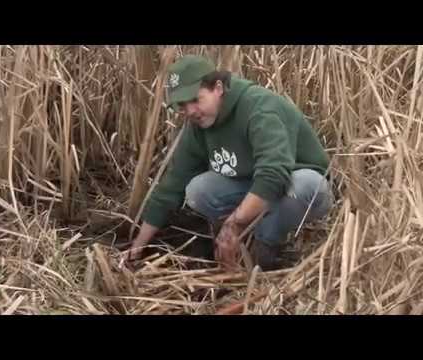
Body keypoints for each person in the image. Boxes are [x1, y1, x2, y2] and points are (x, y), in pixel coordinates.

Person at [125, 55, 333, 271]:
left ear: (218, 88)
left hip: (301, 190)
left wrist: (234, 224)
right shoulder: (198, 125)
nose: (190, 111)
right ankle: (238, 242)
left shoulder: (259, 108)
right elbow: (172, 185)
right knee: (198, 189)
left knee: (303, 184)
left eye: (196, 100)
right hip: (253, 186)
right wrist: (137, 247)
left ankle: (265, 249)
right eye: (182, 105)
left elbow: (274, 175)